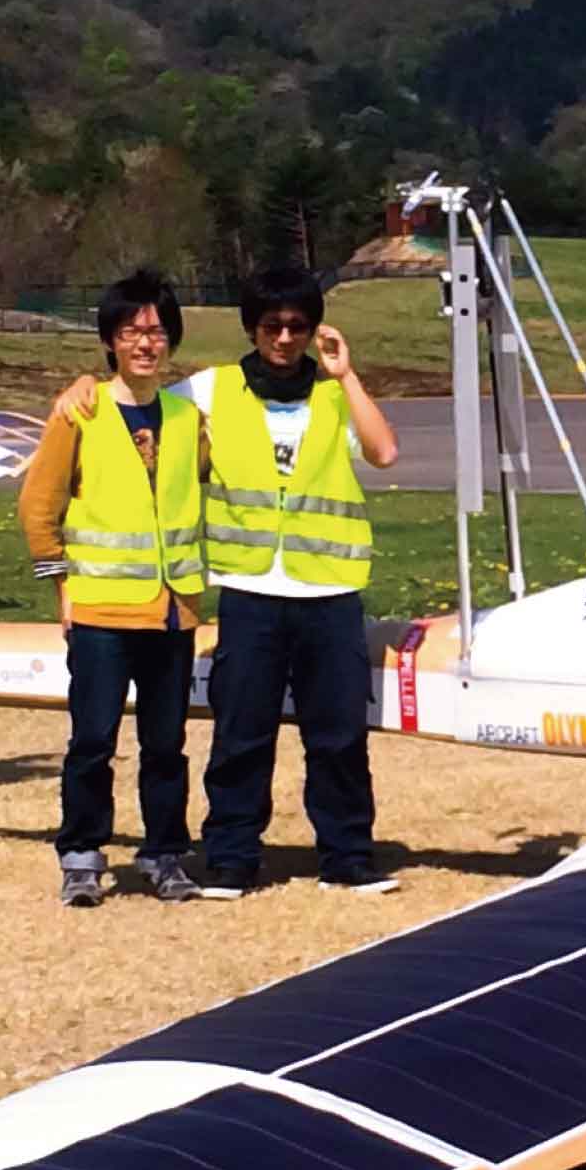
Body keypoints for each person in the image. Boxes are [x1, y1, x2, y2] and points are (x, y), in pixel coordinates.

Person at [182, 266, 401, 893]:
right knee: (240, 733)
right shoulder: (212, 389)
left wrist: (347, 374)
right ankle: (229, 855)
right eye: (272, 325)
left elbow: (384, 453)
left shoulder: (334, 393)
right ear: (252, 327)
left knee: (337, 736)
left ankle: (347, 855)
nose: (284, 337)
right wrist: (86, 387)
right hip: (252, 590)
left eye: (297, 326)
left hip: (327, 590)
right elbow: (138, 412)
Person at [17, 270, 216, 906]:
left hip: (172, 613)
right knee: (93, 740)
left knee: (167, 745)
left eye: (156, 332)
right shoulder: (82, 410)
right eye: (131, 332)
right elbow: (38, 504)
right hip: (102, 611)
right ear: (109, 341)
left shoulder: (187, 419)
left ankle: (164, 855)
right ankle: (81, 853)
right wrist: (61, 585)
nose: (145, 344)